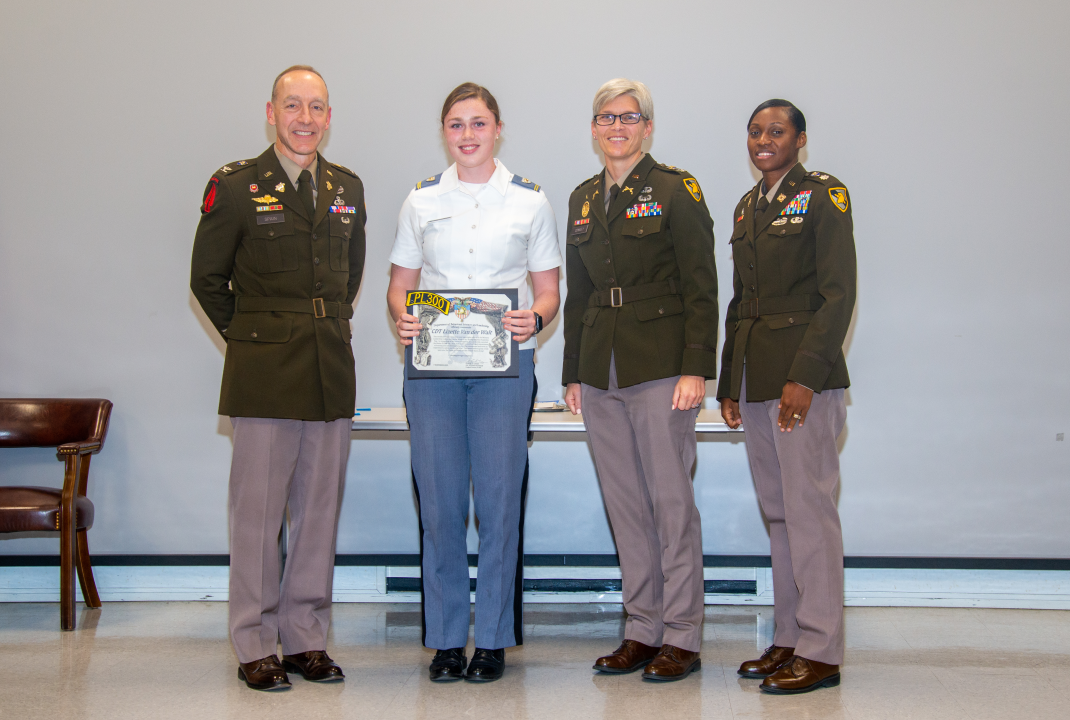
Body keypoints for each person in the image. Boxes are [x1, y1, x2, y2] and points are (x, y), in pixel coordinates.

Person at [190, 65, 366, 691]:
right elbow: (206, 279)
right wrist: (253, 337)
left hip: (328, 367)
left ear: (328, 116)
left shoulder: (347, 187)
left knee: (318, 514)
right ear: (271, 113)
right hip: (264, 372)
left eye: (316, 107)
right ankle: (255, 641)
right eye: (293, 106)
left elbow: (349, 276)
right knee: (258, 516)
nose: (305, 118)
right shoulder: (237, 185)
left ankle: (305, 639)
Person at [386, 83, 561, 683]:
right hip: (432, 369)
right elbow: (400, 285)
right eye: (457, 124)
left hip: (504, 368)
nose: (468, 134)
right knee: (439, 505)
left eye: (479, 123)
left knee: (497, 502)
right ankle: (444, 641)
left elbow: (549, 290)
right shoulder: (420, 200)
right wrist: (402, 315)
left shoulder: (530, 201)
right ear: (444, 131)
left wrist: (536, 317)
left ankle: (491, 640)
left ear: (498, 128)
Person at [562, 78, 718, 682]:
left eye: (629, 117)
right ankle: (642, 628)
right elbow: (579, 295)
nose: (617, 127)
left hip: (660, 367)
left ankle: (681, 634)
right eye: (606, 117)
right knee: (625, 504)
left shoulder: (676, 189)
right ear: (594, 128)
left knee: (670, 503)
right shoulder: (582, 198)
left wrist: (696, 366)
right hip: (600, 369)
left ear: (647, 128)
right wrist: (574, 373)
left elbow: (701, 285)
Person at [718, 99, 856, 694]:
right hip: (756, 380)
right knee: (779, 515)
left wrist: (806, 376)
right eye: (755, 131)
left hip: (803, 380)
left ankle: (821, 651)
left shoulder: (824, 195)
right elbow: (741, 303)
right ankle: (790, 636)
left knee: (810, 513)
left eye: (776, 131)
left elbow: (838, 294)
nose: (763, 140)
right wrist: (731, 382)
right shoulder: (748, 205)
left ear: (800, 139)